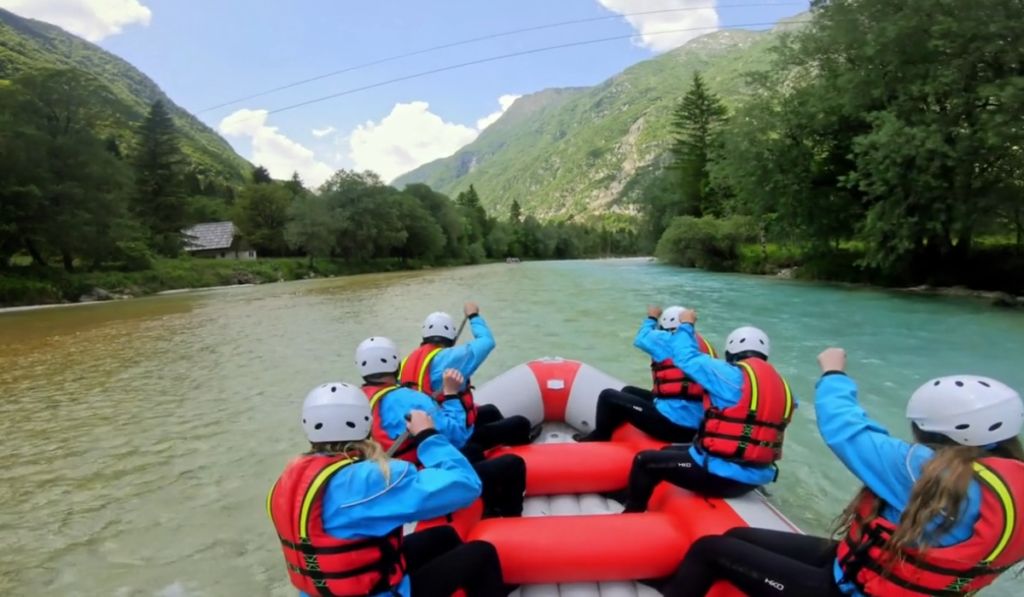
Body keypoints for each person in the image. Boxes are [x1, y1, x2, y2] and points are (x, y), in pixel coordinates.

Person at [658, 348, 1024, 597]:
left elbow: (844, 429)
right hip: (877, 573)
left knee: (710, 549)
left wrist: (833, 372)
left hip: (852, 589)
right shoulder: (1009, 481)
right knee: (738, 535)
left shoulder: (923, 470)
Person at [267, 381, 508, 597]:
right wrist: (427, 435)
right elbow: (466, 484)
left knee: (443, 537)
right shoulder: (369, 479)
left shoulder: (285, 481)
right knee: (482, 554)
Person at [619, 312, 797, 512]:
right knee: (667, 452)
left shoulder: (730, 376)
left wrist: (686, 324)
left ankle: (631, 512)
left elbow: (684, 357)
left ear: (731, 351)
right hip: (754, 478)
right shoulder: (785, 389)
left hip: (720, 477)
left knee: (645, 461)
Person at [358, 336, 527, 518]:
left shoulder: (356, 400)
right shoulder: (411, 399)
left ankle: (487, 507)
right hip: (417, 481)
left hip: (384, 478)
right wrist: (451, 393)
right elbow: (458, 436)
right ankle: (508, 519)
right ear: (396, 365)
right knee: (513, 464)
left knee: (474, 451)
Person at [401, 302, 540, 456]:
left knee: (490, 411)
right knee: (520, 423)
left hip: (430, 427)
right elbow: (487, 341)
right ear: (452, 338)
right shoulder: (452, 358)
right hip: (455, 435)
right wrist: (473, 315)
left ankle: (502, 443)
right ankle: (521, 451)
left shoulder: (407, 362)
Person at [573, 305, 717, 443]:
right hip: (696, 422)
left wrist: (652, 317)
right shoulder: (704, 344)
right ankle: (617, 433)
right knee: (628, 391)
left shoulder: (668, 340)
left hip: (674, 426)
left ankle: (600, 436)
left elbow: (642, 338)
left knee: (608, 396)